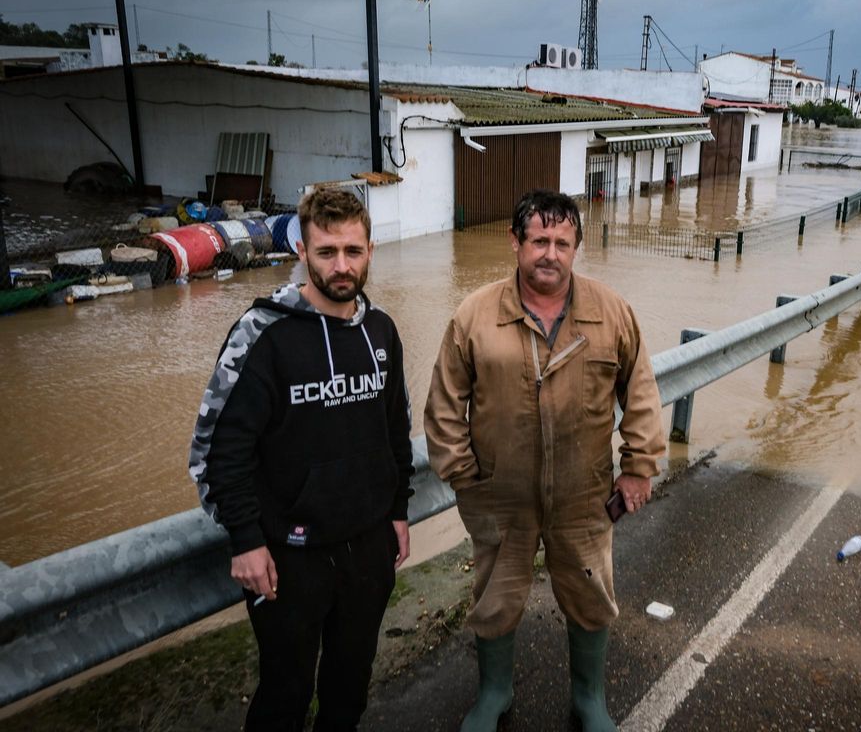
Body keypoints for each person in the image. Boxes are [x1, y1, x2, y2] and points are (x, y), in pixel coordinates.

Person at [424, 189, 666, 732]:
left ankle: (589, 699)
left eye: (561, 242)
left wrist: (638, 464)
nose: (549, 253)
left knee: (590, 595)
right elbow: (443, 406)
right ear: (515, 243)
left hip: (584, 497)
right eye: (538, 240)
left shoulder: (611, 313)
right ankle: (494, 693)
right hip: (499, 496)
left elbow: (643, 392)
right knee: (495, 596)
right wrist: (465, 477)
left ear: (577, 246)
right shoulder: (475, 316)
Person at [187, 187, 414, 731]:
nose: (341, 266)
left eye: (352, 251)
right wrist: (245, 538)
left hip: (367, 549)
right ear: (302, 253)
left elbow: (396, 430)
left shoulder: (380, 330)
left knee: (349, 687)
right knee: (285, 694)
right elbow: (219, 449)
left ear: (370, 251)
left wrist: (399, 511)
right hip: (288, 559)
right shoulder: (261, 333)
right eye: (327, 252)